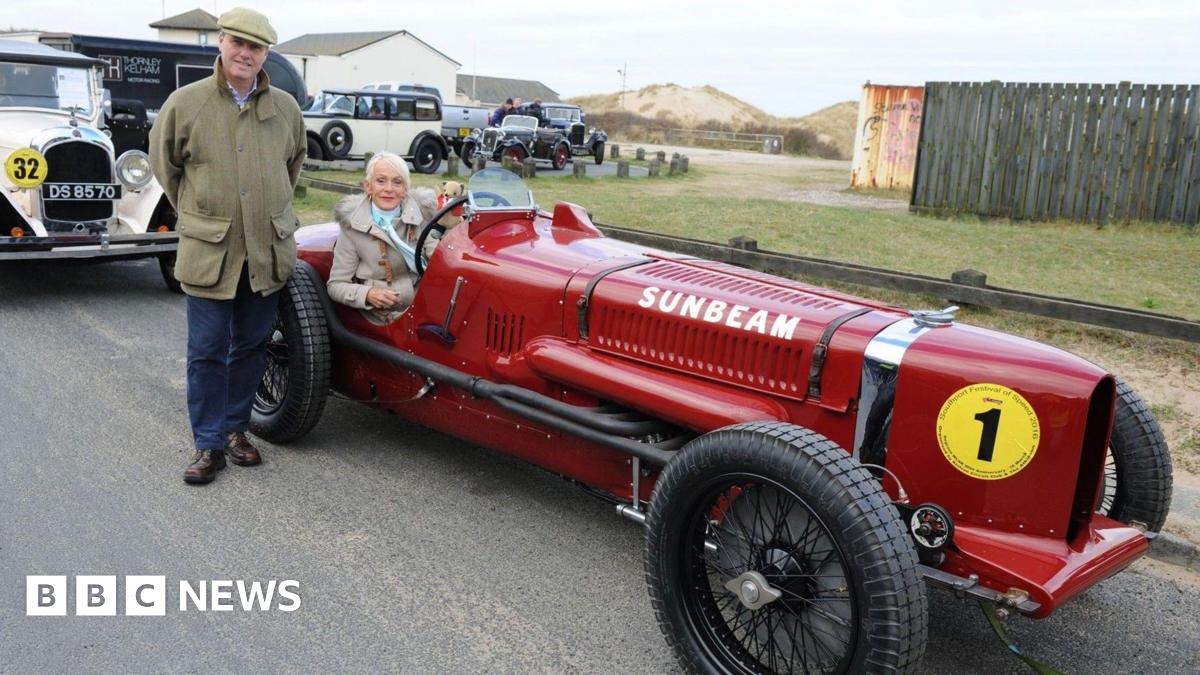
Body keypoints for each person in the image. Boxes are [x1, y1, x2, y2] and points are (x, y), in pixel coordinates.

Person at [149, 7, 305, 485]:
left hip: (266, 250)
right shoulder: (186, 103)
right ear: (220, 42)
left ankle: (237, 430)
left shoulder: (285, 110)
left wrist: (266, 213)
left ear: (265, 55)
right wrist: (201, 215)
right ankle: (208, 443)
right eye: (237, 42)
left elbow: (292, 168)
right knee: (207, 350)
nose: (245, 53)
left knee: (252, 347)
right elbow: (166, 168)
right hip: (210, 252)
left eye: (255, 47)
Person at [327, 152, 437, 320]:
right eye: (381, 181)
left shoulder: (420, 215)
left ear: (405, 189)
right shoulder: (352, 226)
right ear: (368, 186)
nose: (389, 189)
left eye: (397, 182)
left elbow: (438, 256)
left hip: (423, 305)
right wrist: (368, 294)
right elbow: (336, 285)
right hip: (383, 314)